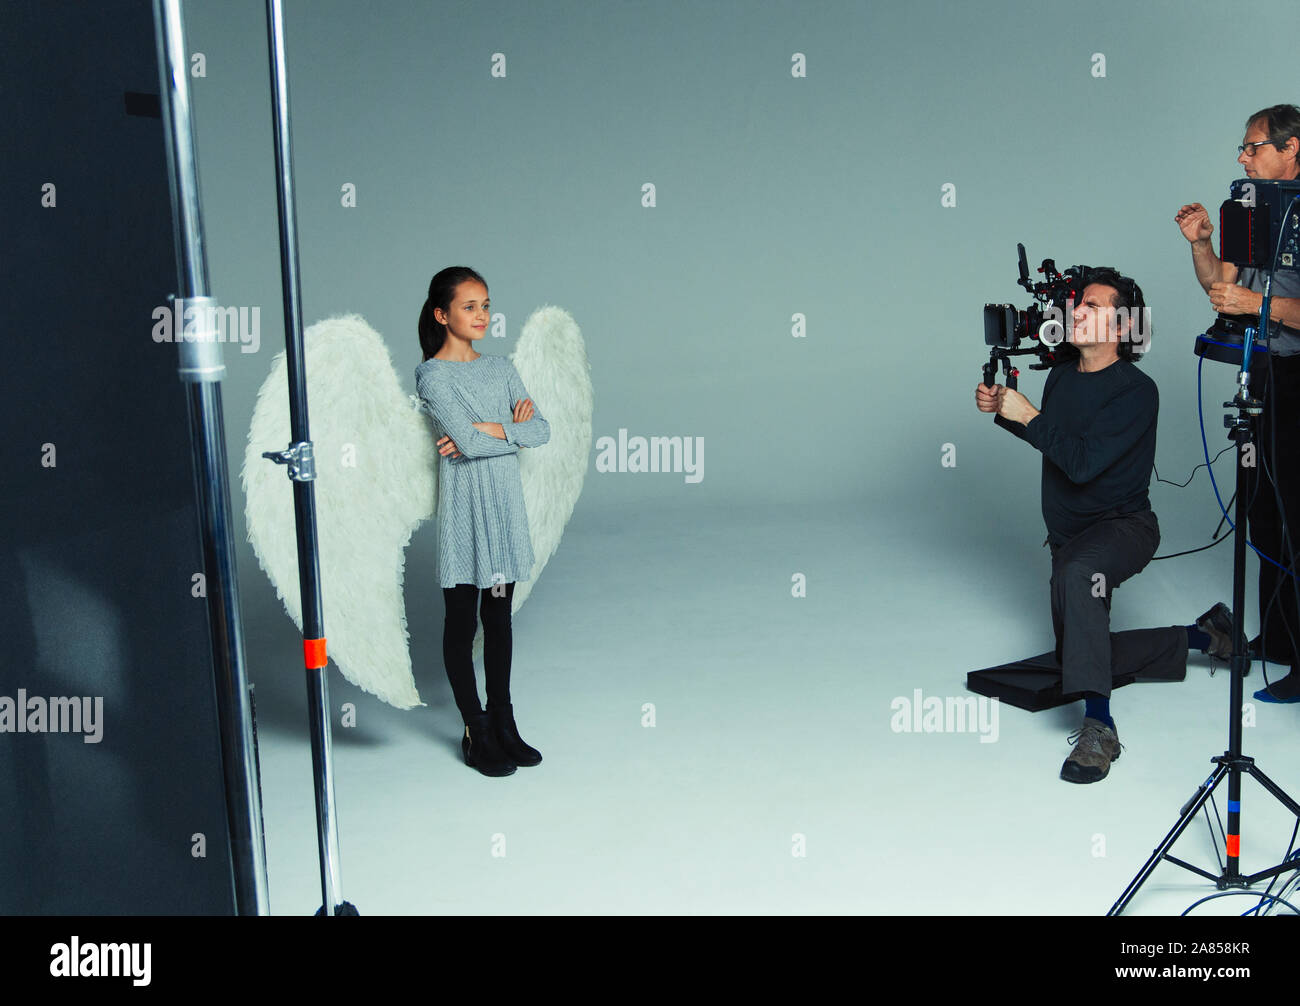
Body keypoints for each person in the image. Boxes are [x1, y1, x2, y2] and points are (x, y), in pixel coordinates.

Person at [976, 270, 1193, 784]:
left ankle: (1100, 727)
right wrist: (1004, 413)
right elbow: (1054, 439)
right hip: (1069, 536)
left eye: (1092, 306)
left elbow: (1081, 463)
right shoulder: (1062, 375)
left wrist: (1026, 416)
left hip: (1123, 528)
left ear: (1121, 323)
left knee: (1078, 582)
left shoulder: (1137, 391)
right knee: (1080, 652)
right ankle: (1203, 636)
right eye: (1077, 303)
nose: (1076, 311)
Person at [1175, 103, 1300, 703]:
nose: (1244, 156)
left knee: (1297, 516)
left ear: (1291, 147)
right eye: (1244, 149)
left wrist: (1263, 308)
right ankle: (1279, 642)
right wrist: (1202, 245)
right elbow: (1223, 289)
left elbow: (1260, 304)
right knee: (1265, 510)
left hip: (1299, 377)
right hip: (1264, 373)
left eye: (1254, 147)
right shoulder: (1251, 208)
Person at [414, 266, 551, 776]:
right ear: (441, 313)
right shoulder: (431, 374)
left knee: (498, 617)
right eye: (469, 306)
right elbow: (470, 444)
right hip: (466, 515)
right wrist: (505, 431)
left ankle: (504, 719)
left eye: (486, 305)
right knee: (461, 619)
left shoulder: (502, 367)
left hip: (504, 510)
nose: (481, 315)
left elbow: (542, 430)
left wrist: (487, 430)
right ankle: (475, 727)